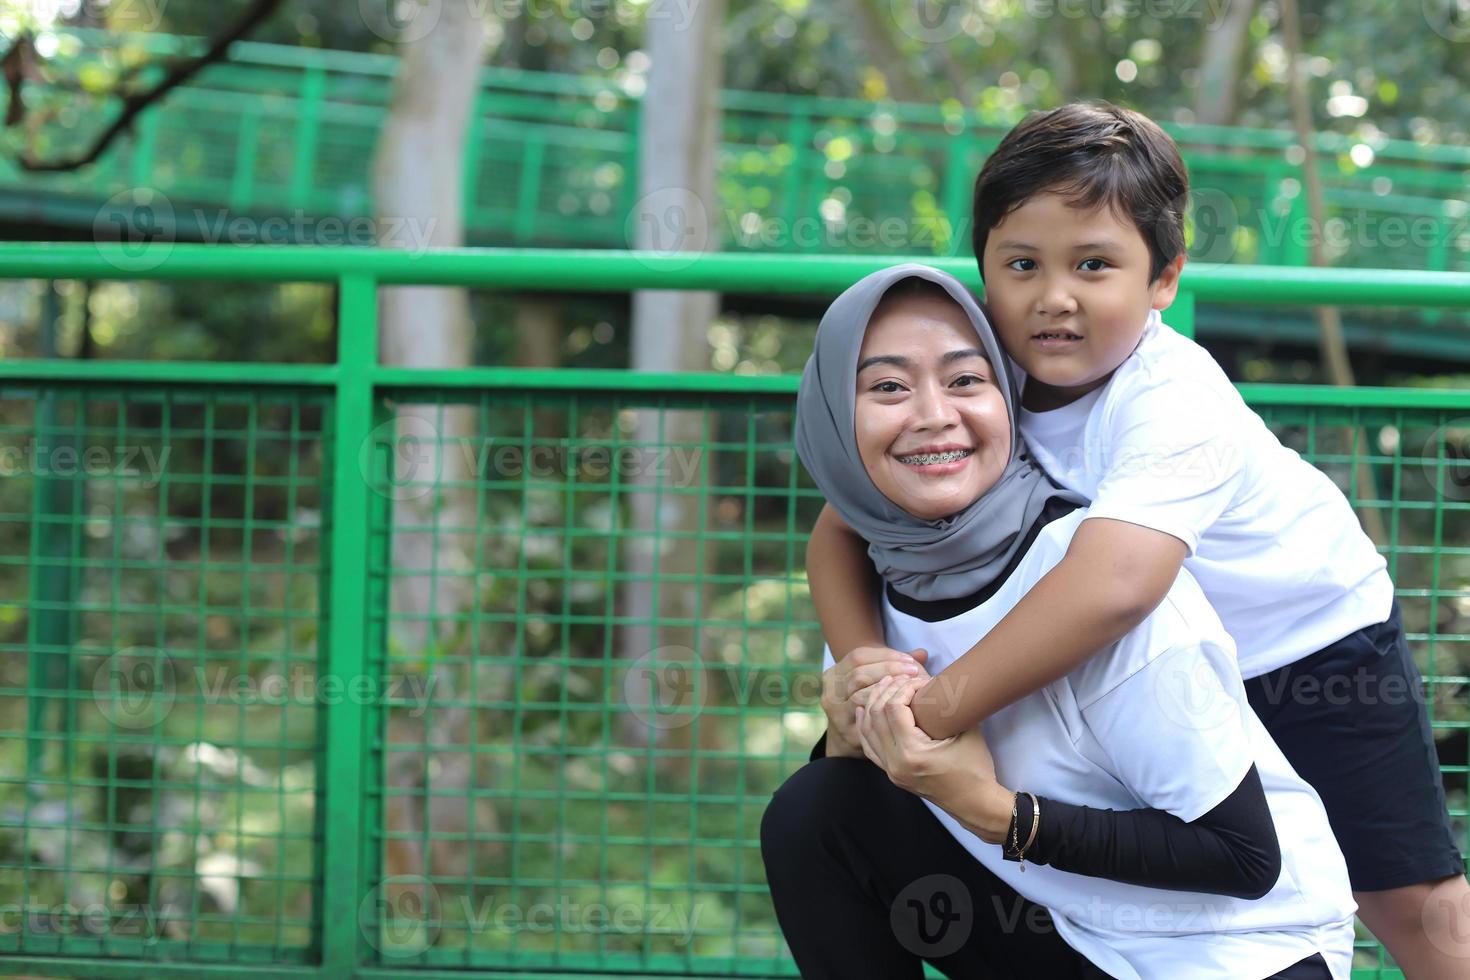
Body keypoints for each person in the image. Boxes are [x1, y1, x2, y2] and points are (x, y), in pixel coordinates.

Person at [803, 102, 1470, 976]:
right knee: (1126, 855)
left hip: (1308, 647)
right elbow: (840, 530)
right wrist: (869, 680)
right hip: (1154, 673)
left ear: (1163, 280)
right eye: (1021, 265)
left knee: (1409, 901)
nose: (1055, 298)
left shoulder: (1173, 396)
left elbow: (1116, 584)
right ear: (984, 275)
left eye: (1094, 265)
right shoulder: (978, 382)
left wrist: (929, 714)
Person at [761, 263, 1356, 980]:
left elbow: (1245, 857)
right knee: (815, 809)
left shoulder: (1083, 574)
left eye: (965, 380)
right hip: (1068, 931)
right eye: (888, 387)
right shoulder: (885, 570)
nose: (933, 414)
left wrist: (995, 812)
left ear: (1008, 399)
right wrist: (850, 735)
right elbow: (875, 803)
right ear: (831, 417)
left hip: (1239, 951)